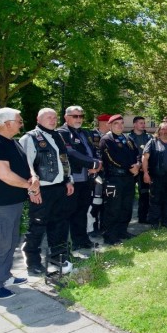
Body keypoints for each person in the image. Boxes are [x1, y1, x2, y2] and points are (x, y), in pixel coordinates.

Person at [0, 108, 33, 299]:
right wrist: (29, 185)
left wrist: (33, 177)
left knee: (10, 242)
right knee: (0, 245)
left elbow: (26, 165)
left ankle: (5, 276)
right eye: (19, 121)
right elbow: (5, 175)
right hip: (0, 205)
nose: (21, 124)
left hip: (13, 202)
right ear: (7, 123)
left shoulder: (11, 142)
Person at [20, 108, 75, 276]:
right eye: (48, 117)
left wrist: (68, 180)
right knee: (37, 226)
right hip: (41, 190)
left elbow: (64, 160)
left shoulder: (58, 136)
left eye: (54, 117)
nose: (52, 120)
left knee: (60, 225)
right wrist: (32, 190)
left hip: (60, 188)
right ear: (38, 119)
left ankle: (59, 257)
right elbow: (25, 166)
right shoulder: (29, 138)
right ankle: (32, 262)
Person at [57, 106, 101, 252]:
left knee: (82, 210)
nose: (78, 119)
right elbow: (71, 153)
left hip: (87, 178)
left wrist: (97, 163)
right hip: (72, 179)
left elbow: (94, 150)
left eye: (81, 116)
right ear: (66, 117)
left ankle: (82, 240)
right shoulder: (62, 133)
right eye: (75, 116)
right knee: (71, 212)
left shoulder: (85, 132)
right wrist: (93, 163)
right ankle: (70, 244)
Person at [99, 114, 140, 245]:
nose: (120, 126)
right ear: (110, 125)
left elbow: (137, 154)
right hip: (113, 179)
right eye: (116, 123)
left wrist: (138, 165)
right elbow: (112, 159)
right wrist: (130, 167)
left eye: (122, 123)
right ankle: (110, 236)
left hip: (128, 178)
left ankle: (122, 231)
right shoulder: (106, 140)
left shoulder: (128, 139)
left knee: (126, 206)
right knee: (113, 208)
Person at [89, 114, 111, 235]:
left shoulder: (111, 136)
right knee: (95, 201)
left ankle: (105, 226)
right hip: (95, 174)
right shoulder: (91, 135)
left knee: (107, 201)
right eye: (109, 122)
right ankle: (93, 228)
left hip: (109, 174)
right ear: (103, 123)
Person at [128, 116, 151, 223]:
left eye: (144, 123)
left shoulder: (149, 137)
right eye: (141, 123)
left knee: (145, 194)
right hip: (131, 169)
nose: (143, 125)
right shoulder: (128, 137)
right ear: (134, 124)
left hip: (144, 170)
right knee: (129, 194)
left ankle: (143, 217)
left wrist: (145, 167)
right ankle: (126, 219)